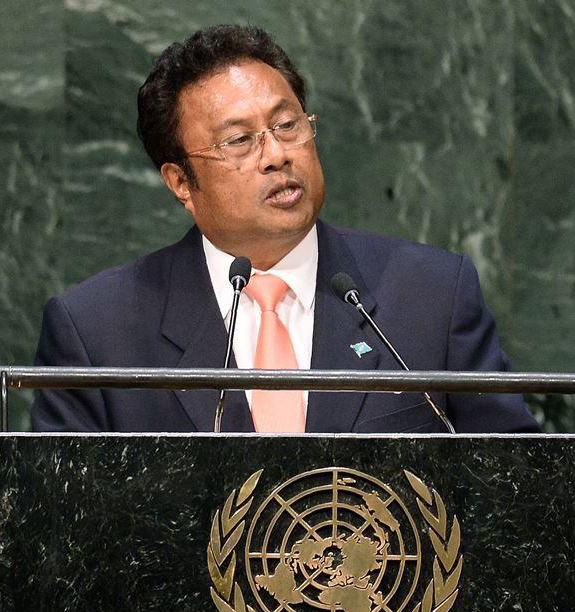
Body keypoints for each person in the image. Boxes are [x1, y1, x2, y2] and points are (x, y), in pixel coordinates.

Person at [31, 24, 538, 434]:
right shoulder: (96, 332)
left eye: (288, 124)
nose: (277, 155)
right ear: (181, 182)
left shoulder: (431, 296)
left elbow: (518, 492)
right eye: (239, 141)